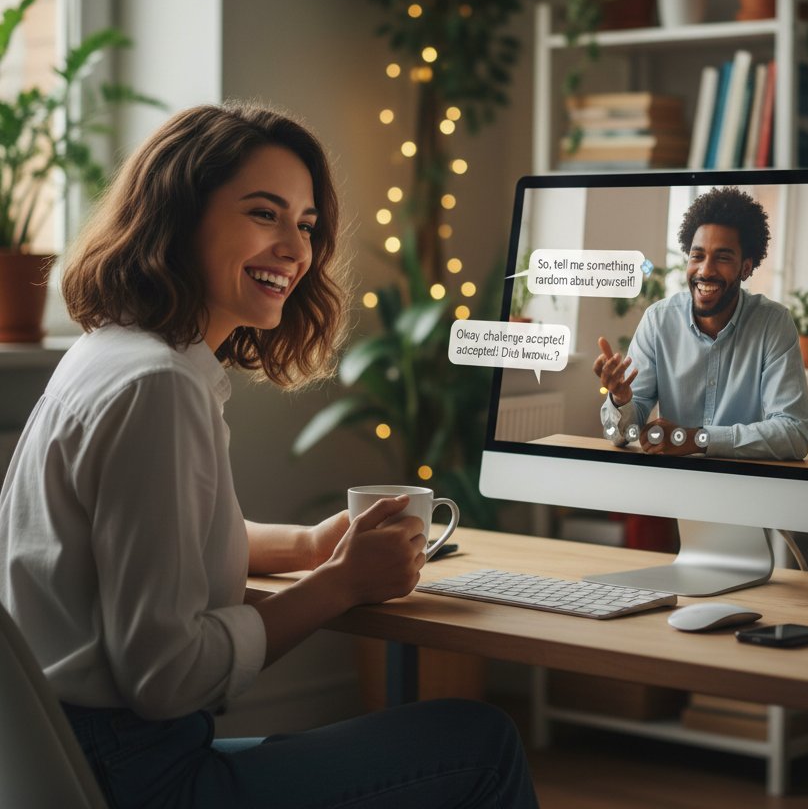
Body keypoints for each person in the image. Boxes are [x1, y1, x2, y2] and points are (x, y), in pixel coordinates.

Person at [0, 103, 537, 809]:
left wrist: (314, 547)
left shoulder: (110, 353)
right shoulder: (158, 386)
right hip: (140, 779)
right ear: (179, 214)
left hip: (82, 759)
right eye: (264, 213)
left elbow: (156, 546)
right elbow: (164, 678)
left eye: (306, 225)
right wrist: (338, 586)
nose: (295, 247)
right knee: (481, 743)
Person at [593, 186, 808, 461]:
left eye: (722, 257)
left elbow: (795, 433)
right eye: (697, 256)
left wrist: (698, 439)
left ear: (745, 267)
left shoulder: (773, 324)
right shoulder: (658, 321)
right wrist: (621, 400)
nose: (705, 270)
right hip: (672, 487)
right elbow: (617, 435)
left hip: (744, 487)